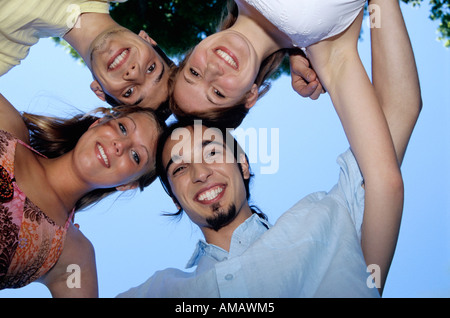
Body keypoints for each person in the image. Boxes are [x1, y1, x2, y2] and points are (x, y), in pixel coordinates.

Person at [117, 0, 421, 297]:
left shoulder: (330, 219)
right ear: (174, 196)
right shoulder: (158, 291)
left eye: (211, 151)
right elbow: (398, 113)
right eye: (180, 168)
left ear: (244, 164)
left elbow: (394, 121)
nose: (200, 173)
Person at [0, 93, 165, 297]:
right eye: (122, 128)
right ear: (98, 122)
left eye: (136, 156)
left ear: (127, 185)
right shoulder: (7, 123)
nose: (120, 145)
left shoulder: (75, 259)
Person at [169, 0, 390, 128]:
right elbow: (385, 179)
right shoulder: (323, 52)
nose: (213, 70)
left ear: (191, 53)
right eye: (217, 92)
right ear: (250, 96)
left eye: (194, 73)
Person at [0, 0, 174, 113]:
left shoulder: (6, 52)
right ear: (148, 40)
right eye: (151, 68)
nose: (134, 74)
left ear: (99, 90)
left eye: (129, 92)